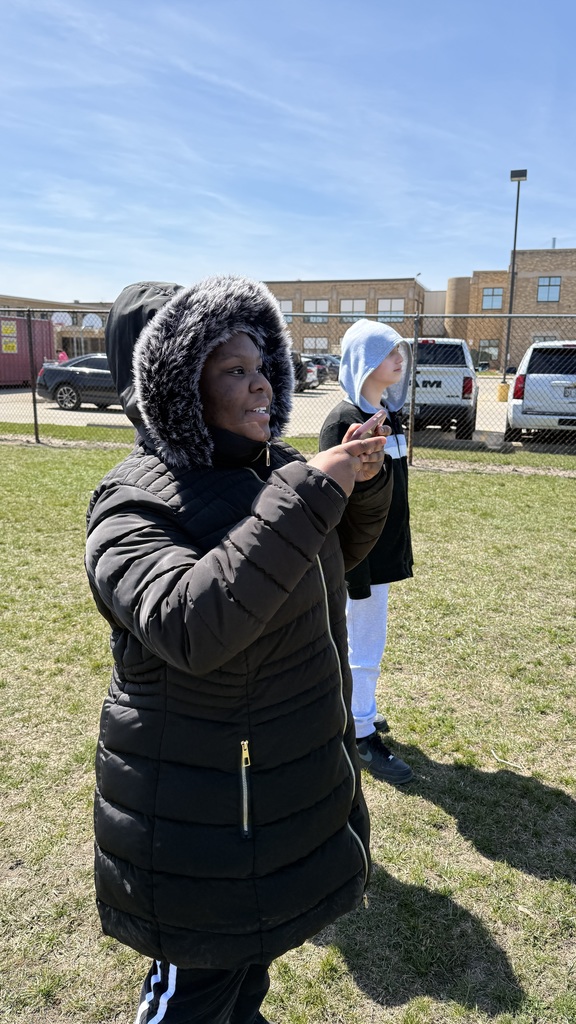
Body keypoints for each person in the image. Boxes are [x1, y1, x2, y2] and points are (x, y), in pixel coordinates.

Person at [85, 276, 394, 1024]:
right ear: (174, 385)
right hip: (197, 817)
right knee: (193, 994)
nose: (262, 384)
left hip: (271, 790)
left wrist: (359, 487)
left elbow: (327, 560)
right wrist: (310, 492)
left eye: (262, 366)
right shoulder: (132, 502)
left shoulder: (269, 467)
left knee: (246, 977)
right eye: (233, 369)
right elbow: (192, 625)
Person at [319, 320, 414, 786]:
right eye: (385, 351)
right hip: (361, 557)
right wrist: (352, 567)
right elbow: (331, 500)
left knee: (367, 637)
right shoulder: (344, 421)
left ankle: (360, 710)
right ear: (362, 360)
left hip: (384, 548)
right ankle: (359, 732)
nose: (398, 358)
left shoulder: (387, 415)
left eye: (399, 350)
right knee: (364, 641)